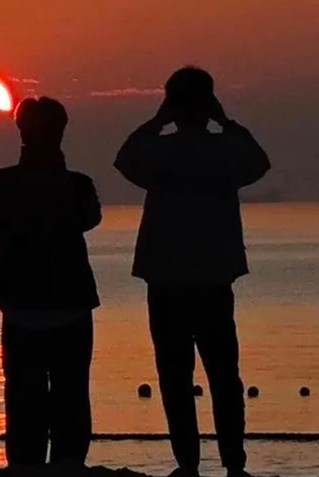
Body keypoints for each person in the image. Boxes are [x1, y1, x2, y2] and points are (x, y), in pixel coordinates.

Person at [115, 67, 270, 477]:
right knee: (224, 376)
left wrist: (156, 121)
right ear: (209, 104)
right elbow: (259, 162)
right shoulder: (223, 151)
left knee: (175, 378)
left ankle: (188, 464)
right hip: (211, 279)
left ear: (171, 105)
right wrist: (226, 121)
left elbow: (124, 159)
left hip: (168, 280)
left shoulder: (160, 151)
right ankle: (233, 465)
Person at [0, 96, 102, 469]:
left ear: (21, 131)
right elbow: (90, 219)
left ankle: (26, 463)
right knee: (71, 391)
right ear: (61, 132)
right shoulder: (79, 185)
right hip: (70, 301)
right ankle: (68, 461)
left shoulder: (2, 182)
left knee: (23, 393)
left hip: (21, 303)